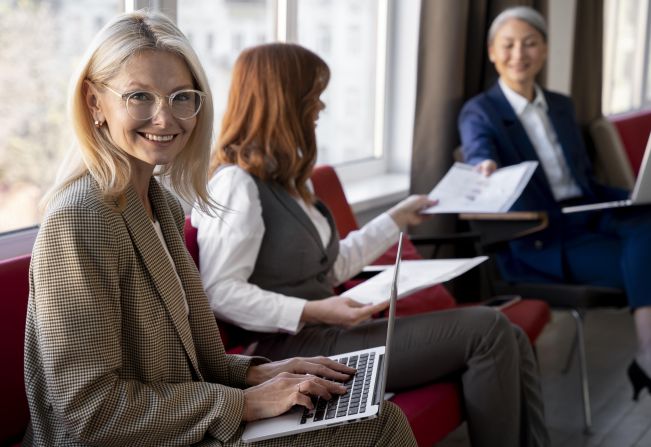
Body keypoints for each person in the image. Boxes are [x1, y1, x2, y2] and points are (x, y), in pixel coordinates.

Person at [23, 11, 417, 446]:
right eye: (139, 97)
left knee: (369, 409)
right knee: (381, 426)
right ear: (95, 102)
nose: (165, 119)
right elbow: (89, 413)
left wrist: (262, 373)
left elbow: (190, 363)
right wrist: (246, 403)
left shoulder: (162, 204)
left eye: (180, 97)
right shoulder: (80, 220)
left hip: (179, 423)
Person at [192, 42, 550, 447]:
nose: (321, 107)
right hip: (290, 349)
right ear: (284, 100)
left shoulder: (287, 179)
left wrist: (395, 219)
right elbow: (219, 291)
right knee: (487, 330)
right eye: (314, 96)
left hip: (323, 333)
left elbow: (330, 267)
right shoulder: (236, 185)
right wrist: (311, 308)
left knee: (511, 336)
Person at [459, 5, 651, 400]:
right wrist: (484, 164)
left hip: (587, 211)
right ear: (492, 52)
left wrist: (636, 196)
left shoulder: (561, 105)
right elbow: (478, 148)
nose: (519, 54)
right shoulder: (481, 111)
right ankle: (648, 355)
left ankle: (648, 355)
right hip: (543, 237)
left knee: (647, 214)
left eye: (529, 43)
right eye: (508, 45)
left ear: (544, 50)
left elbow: (583, 178)